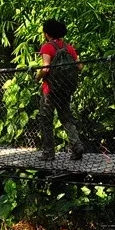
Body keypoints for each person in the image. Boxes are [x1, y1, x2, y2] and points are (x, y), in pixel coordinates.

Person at [35, 19, 86, 161]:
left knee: (46, 120)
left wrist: (37, 77)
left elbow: (45, 68)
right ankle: (77, 146)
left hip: (50, 90)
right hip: (64, 90)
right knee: (66, 118)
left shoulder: (47, 47)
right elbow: (80, 67)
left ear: (47, 33)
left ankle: (48, 153)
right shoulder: (68, 47)